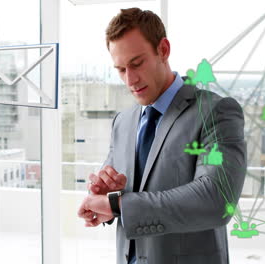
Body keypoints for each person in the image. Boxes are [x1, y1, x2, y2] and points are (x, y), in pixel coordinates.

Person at [77, 7, 247, 264]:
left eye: (137, 63)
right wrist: (102, 196)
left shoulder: (215, 112)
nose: (130, 79)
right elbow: (116, 194)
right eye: (121, 69)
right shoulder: (122, 122)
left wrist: (118, 205)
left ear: (164, 50)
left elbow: (217, 198)